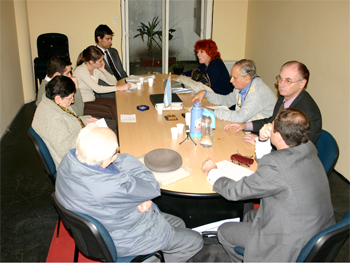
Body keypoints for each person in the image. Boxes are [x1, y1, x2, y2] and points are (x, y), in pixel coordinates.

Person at [201, 108, 335, 262]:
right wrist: (264, 140)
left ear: (278, 136)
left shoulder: (277, 166)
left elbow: (235, 192)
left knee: (225, 231)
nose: (269, 126)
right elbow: (273, 165)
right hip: (316, 230)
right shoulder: (307, 149)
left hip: (290, 243)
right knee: (251, 215)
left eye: (273, 125)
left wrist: (213, 173)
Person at [55, 125, 203, 262]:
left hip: (104, 224)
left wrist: (137, 197)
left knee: (179, 223)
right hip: (126, 239)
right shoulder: (114, 187)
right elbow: (151, 186)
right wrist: (142, 196)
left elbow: (131, 190)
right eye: (116, 152)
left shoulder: (67, 161)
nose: (118, 154)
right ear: (107, 160)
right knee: (195, 241)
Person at [225, 61, 322, 146]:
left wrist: (262, 143)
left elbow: (296, 151)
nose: (281, 84)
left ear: (302, 83)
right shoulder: (284, 97)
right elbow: (272, 121)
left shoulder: (308, 114)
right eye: (280, 78)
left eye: (288, 81)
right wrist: (244, 125)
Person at [32, 75, 97, 169]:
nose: (73, 101)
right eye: (70, 98)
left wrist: (84, 120)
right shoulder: (51, 119)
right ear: (58, 99)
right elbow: (66, 149)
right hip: (71, 163)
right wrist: (89, 136)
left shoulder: (53, 102)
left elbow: (68, 119)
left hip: (76, 145)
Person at [191, 59, 276, 123]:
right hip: (245, 127)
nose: (231, 80)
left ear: (247, 78)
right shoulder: (240, 87)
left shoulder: (256, 93)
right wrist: (205, 93)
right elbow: (226, 101)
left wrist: (209, 111)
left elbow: (239, 117)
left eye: (235, 78)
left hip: (258, 134)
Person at [73, 46, 130, 120]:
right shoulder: (81, 70)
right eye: (100, 61)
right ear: (91, 61)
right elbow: (97, 89)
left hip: (92, 100)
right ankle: (121, 126)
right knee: (111, 110)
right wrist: (119, 88)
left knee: (116, 102)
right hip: (83, 104)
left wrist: (103, 70)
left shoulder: (95, 69)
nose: (103, 62)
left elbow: (113, 82)